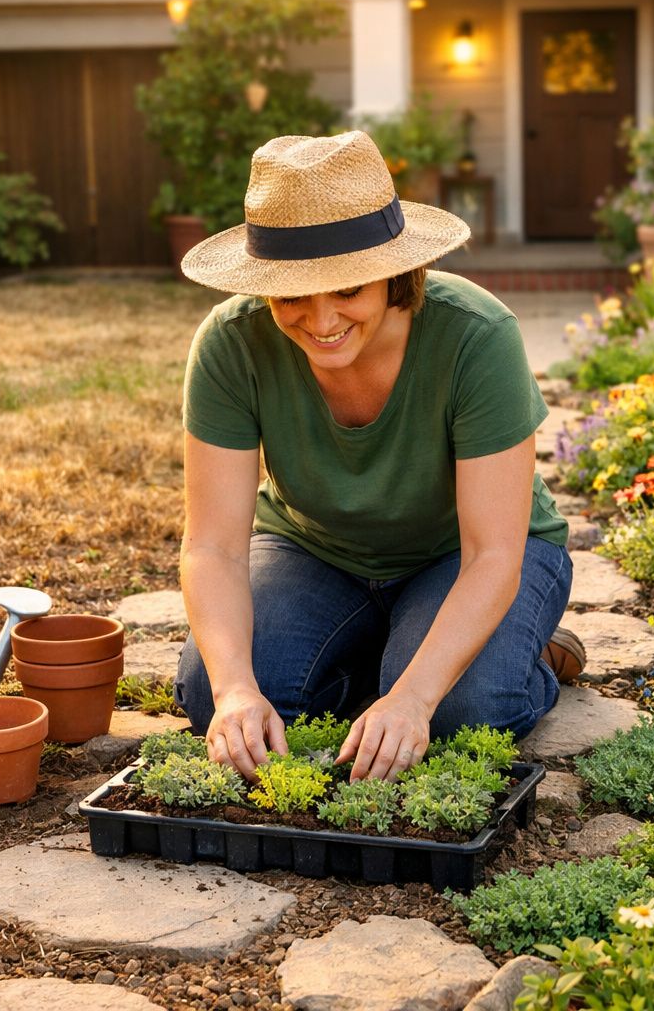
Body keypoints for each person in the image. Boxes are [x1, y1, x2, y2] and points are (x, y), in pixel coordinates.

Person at [174, 130, 585, 785]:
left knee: (462, 711)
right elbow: (214, 548)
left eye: (347, 290)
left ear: (394, 271)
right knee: (214, 697)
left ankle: (518, 656)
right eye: (291, 296)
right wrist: (234, 693)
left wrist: (415, 698)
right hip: (315, 553)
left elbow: (492, 555)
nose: (320, 319)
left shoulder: (477, 337)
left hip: (465, 557)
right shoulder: (231, 345)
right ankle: (388, 659)